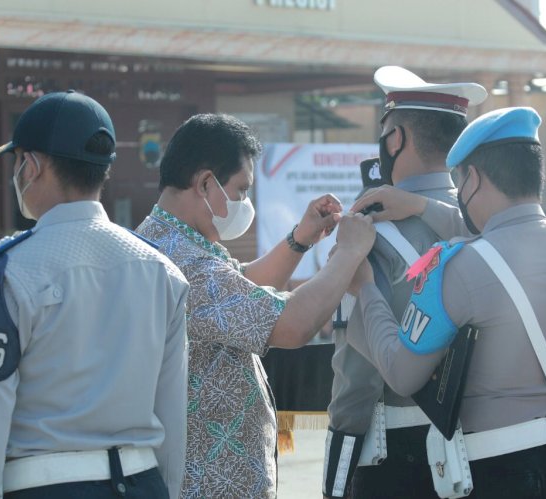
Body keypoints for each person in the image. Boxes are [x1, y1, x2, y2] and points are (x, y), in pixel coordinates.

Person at [348, 106, 546, 498]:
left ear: (472, 178)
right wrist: (421, 206)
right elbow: (507, 238)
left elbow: (401, 373)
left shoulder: (456, 269)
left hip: (503, 473)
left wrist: (366, 287)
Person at [135, 113, 376, 499]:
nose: (245, 203)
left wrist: (301, 239)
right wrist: (348, 254)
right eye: (241, 190)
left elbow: (242, 287)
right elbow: (291, 324)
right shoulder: (184, 265)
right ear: (204, 183)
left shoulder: (169, 244)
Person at [0, 90, 189, 499]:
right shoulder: (162, 271)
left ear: (31, 166)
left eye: (17, 162)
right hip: (144, 482)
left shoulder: (6, 272)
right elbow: (172, 413)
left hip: (45, 486)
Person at [322, 65, 487, 499]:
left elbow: (357, 376)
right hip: (487, 447)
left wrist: (336, 481)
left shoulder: (366, 234)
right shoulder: (488, 222)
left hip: (398, 455)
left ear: (395, 140)